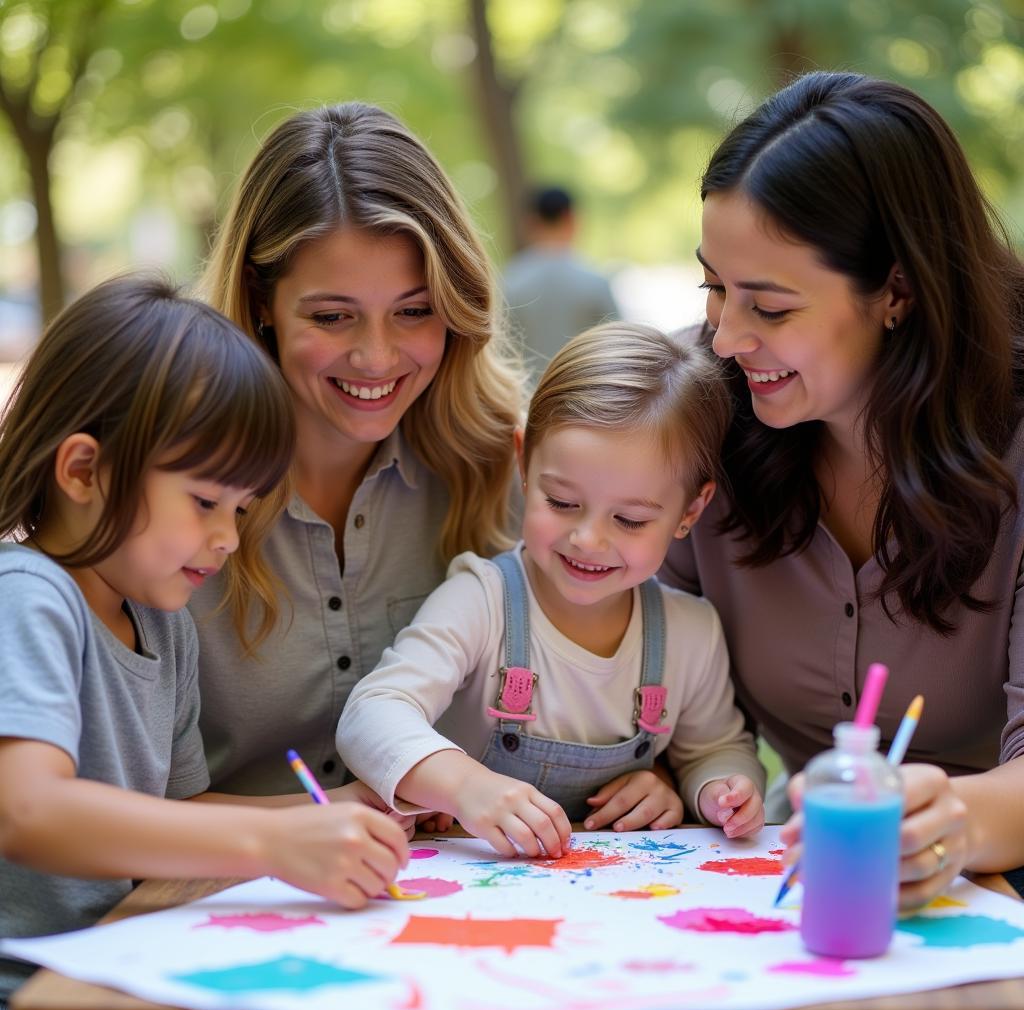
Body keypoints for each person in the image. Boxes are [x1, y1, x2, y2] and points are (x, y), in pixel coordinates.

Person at [660, 71, 1024, 909]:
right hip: (774, 889)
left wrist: (949, 820)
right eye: (713, 287)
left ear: (896, 290)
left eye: (770, 307)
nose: (725, 335)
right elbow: (643, 677)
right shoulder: (694, 414)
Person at [0, 276, 411, 1010]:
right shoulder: (27, 596)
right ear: (84, 470)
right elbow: (27, 814)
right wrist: (270, 847)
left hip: (118, 972)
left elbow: (185, 807)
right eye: (204, 502)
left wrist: (332, 811)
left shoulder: (163, 621)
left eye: (244, 507)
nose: (228, 539)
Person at [192, 102, 523, 797]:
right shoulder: (175, 489)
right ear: (261, 300)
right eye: (333, 316)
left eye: (413, 311)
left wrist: (655, 776)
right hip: (215, 897)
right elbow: (123, 802)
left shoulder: (511, 466)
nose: (376, 357)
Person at [338, 323, 766, 858]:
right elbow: (371, 714)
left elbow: (718, 749)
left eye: (630, 519)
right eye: (562, 503)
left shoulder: (690, 632)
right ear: (524, 463)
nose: (588, 539)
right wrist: (467, 787)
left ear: (691, 511)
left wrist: (711, 790)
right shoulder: (483, 600)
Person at [503, 185, 620, 381]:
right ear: (571, 218)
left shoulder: (509, 282)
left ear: (530, 222)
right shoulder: (595, 281)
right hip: (586, 397)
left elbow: (501, 351)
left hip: (526, 400)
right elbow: (619, 346)